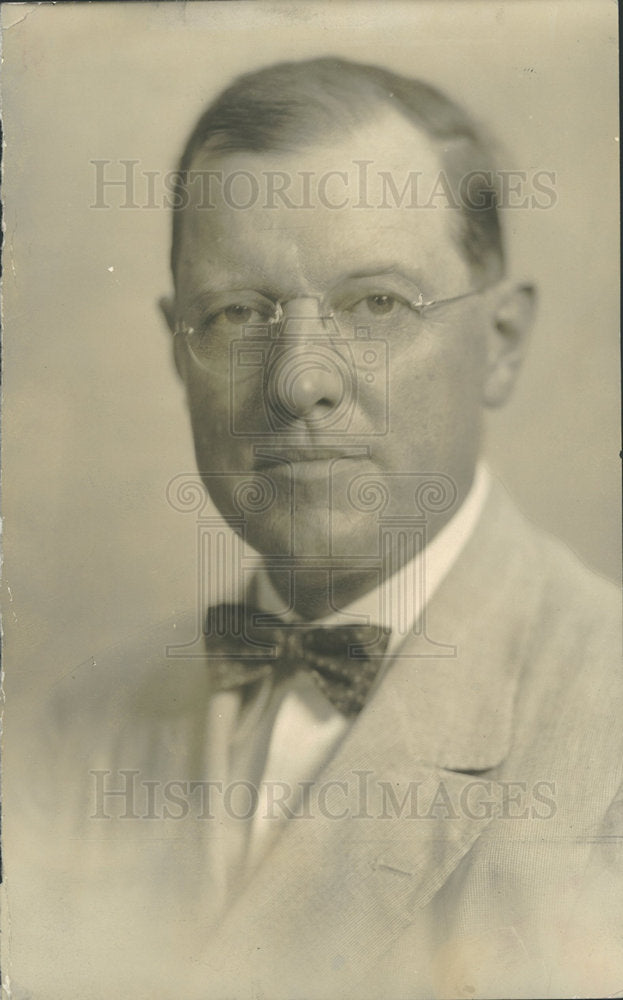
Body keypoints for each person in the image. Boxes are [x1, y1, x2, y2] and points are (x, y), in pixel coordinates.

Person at [9, 57, 622, 999]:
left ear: (500, 343)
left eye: (375, 304)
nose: (300, 381)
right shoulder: (75, 733)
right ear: (178, 350)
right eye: (237, 314)